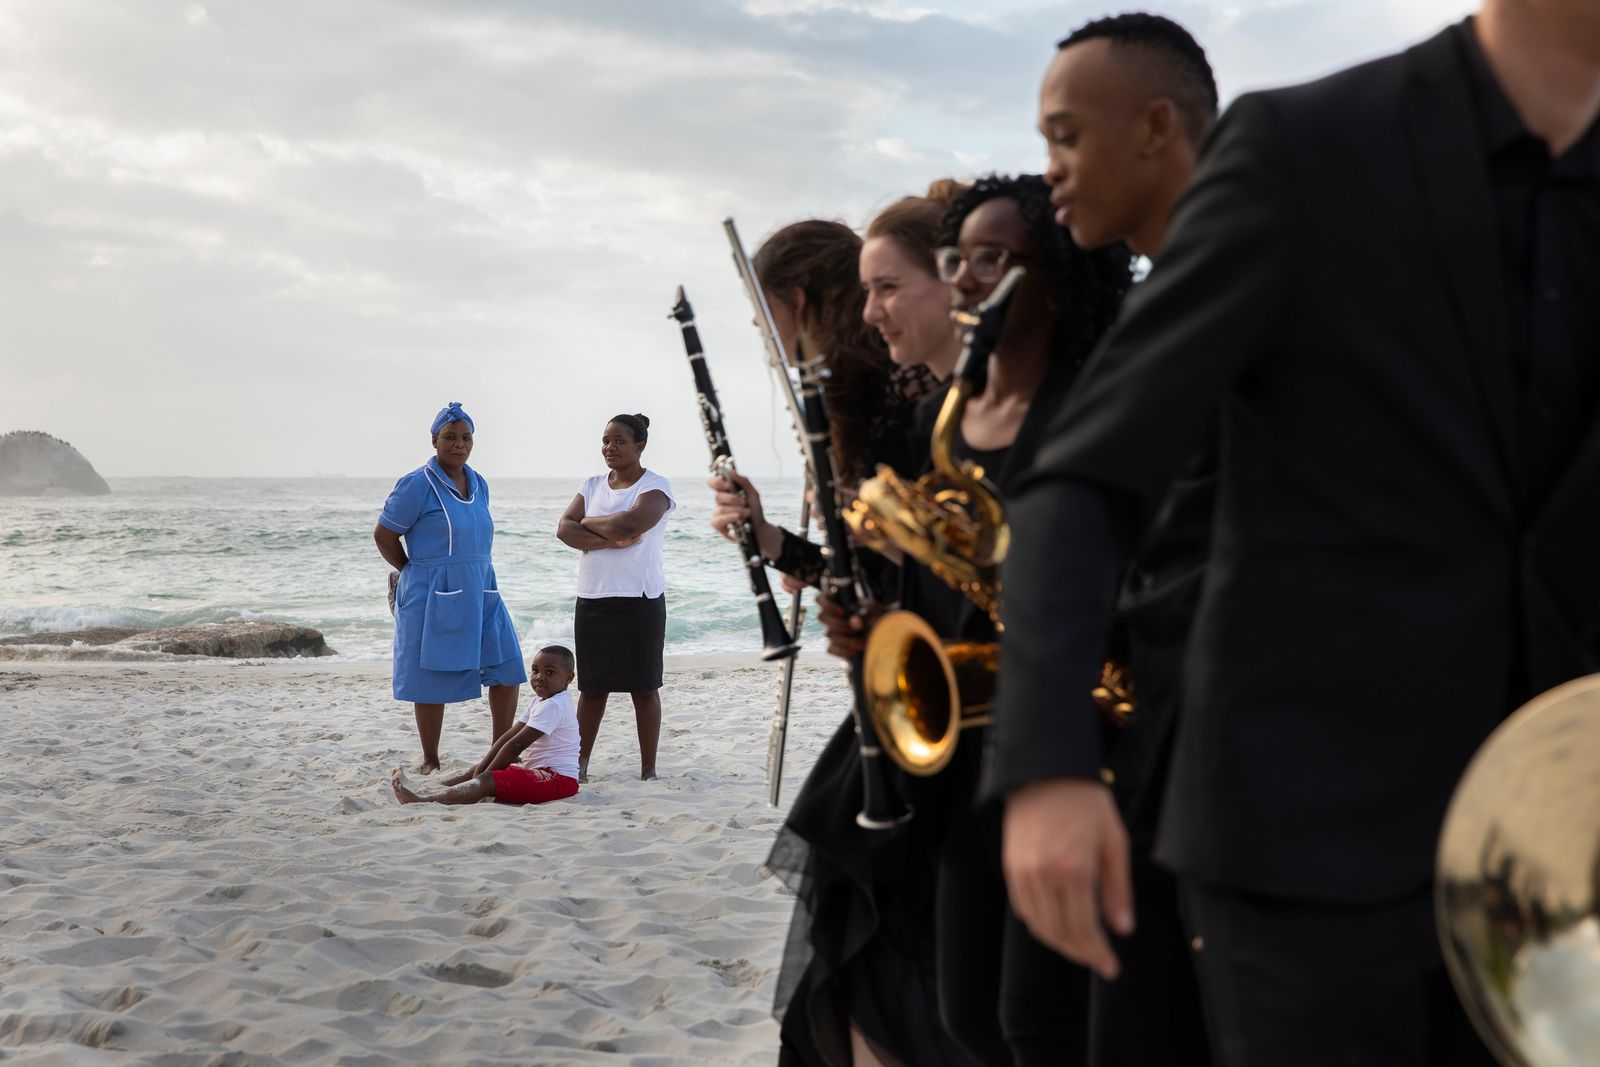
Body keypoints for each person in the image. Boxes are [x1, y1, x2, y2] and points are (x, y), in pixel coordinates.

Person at [994, 2, 1600, 1064]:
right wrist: (1046, 767)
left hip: (1565, 850)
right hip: (1307, 851)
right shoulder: (1305, 147)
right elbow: (1085, 476)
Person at [820, 175, 1130, 1066]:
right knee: (967, 1013)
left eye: (988, 260)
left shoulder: (1096, 405)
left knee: (1043, 1022)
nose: (964, 280)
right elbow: (934, 590)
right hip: (963, 754)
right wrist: (878, 626)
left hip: (1077, 745)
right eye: (956, 259)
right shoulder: (938, 415)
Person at [701, 209, 960, 1066]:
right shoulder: (854, 403)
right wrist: (775, 541)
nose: (758, 336)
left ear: (803, 300)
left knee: (877, 972)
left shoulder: (903, 399)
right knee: (854, 979)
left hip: (942, 709)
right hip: (900, 703)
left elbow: (925, 575)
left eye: (762, 314)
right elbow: (865, 578)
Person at [1033, 15, 1219, 1066]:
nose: (1053, 169)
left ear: (1155, 127)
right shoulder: (1158, 305)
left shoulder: (1251, 285)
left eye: (1066, 134)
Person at [374, 402, 525, 775]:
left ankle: (499, 750)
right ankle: (430, 757)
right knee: (430, 675)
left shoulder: (479, 483)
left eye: (466, 437)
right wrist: (410, 570)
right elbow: (384, 534)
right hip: (432, 590)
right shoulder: (416, 484)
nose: (459, 445)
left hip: (482, 588)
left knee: (506, 666)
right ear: (434, 440)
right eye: (450, 437)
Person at [557, 413, 675, 783]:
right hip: (593, 599)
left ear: (639, 445)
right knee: (592, 689)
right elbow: (564, 529)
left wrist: (588, 523)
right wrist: (610, 537)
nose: (610, 447)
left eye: (620, 440)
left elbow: (632, 525)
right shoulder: (592, 484)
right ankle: (579, 765)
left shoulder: (656, 487)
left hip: (640, 600)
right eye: (606, 440)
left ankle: (649, 770)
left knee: (644, 687)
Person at [392, 645, 581, 806]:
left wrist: (485, 774)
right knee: (480, 768)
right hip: (538, 771)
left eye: (549, 672)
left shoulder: (554, 705)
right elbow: (507, 737)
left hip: (559, 781)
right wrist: (482, 768)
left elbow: (517, 745)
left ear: (569, 678)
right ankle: (439, 787)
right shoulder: (540, 701)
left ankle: (425, 800)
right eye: (535, 670)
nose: (539, 677)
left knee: (486, 780)